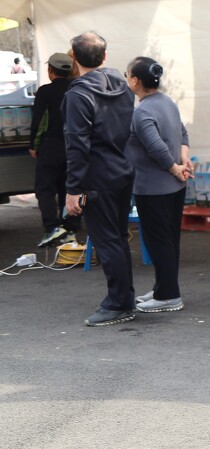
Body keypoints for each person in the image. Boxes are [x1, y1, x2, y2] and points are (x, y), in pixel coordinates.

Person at [62, 32, 137, 327]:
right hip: (122, 170)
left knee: (108, 241)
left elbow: (77, 145)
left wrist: (73, 189)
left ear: (73, 58)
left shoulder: (78, 95)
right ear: (104, 56)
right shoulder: (123, 86)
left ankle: (120, 303)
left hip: (97, 177)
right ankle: (124, 298)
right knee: (117, 238)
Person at [125, 57, 192, 314]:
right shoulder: (167, 102)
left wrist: (175, 167)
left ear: (135, 81)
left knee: (158, 242)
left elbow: (156, 147)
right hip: (175, 186)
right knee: (170, 239)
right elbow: (182, 133)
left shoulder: (142, 112)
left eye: (128, 75)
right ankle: (163, 288)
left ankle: (168, 296)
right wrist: (183, 161)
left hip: (153, 188)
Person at [29, 52, 81, 248]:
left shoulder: (45, 92)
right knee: (70, 188)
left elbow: (39, 121)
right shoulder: (77, 89)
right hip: (74, 146)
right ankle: (70, 228)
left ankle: (52, 228)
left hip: (50, 146)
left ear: (50, 70)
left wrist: (33, 145)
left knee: (45, 189)